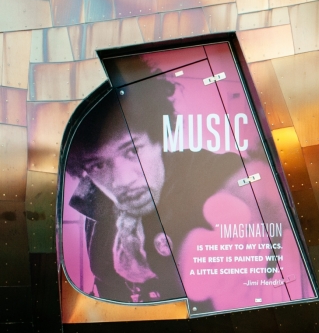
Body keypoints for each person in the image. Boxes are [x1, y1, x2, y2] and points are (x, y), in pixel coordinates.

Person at [65, 78, 249, 305]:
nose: (122, 181)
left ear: (159, 139)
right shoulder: (96, 201)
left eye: (132, 150)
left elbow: (250, 185)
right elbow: (105, 285)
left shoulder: (205, 170)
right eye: (98, 165)